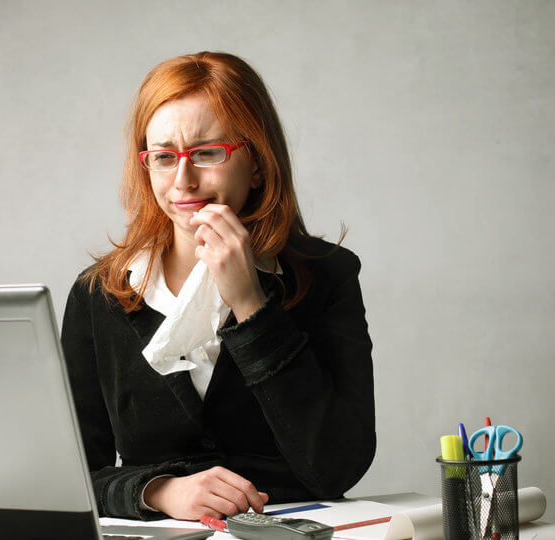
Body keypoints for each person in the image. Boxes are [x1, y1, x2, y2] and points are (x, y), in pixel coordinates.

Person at [60, 51, 375, 522]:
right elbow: (71, 476)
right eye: (164, 157)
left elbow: (337, 466)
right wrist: (161, 492)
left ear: (258, 163)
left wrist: (250, 304)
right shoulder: (98, 294)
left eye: (207, 153)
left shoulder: (329, 275)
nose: (183, 181)